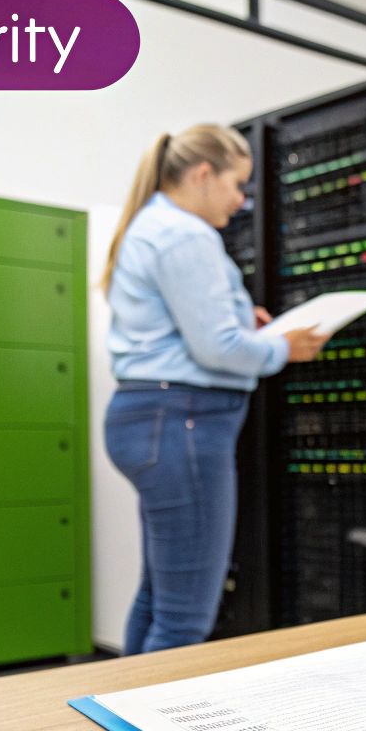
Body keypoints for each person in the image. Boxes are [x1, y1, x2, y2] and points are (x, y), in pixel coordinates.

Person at [102, 124, 328, 655]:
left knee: (159, 597)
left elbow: (185, 327)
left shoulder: (151, 225)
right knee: (184, 619)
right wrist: (282, 348)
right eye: (236, 184)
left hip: (149, 418)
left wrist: (235, 316)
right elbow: (217, 349)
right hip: (181, 421)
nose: (241, 199)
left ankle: (111, 719)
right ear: (203, 174)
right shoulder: (186, 234)